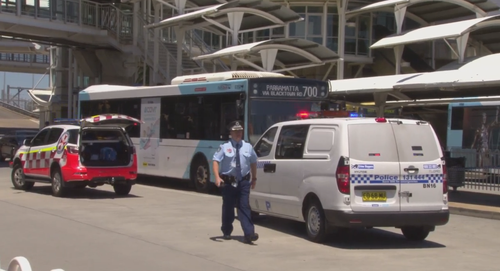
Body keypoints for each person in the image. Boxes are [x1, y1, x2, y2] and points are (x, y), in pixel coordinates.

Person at [213, 120, 259, 244]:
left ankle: (249, 234)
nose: (238, 133)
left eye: (240, 131)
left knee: (244, 206)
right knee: (228, 208)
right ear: (231, 133)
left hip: (243, 181)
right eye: (235, 131)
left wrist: (254, 178)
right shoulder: (224, 147)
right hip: (228, 182)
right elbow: (215, 160)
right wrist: (217, 177)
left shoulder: (248, 147)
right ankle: (227, 230)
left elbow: (253, 162)